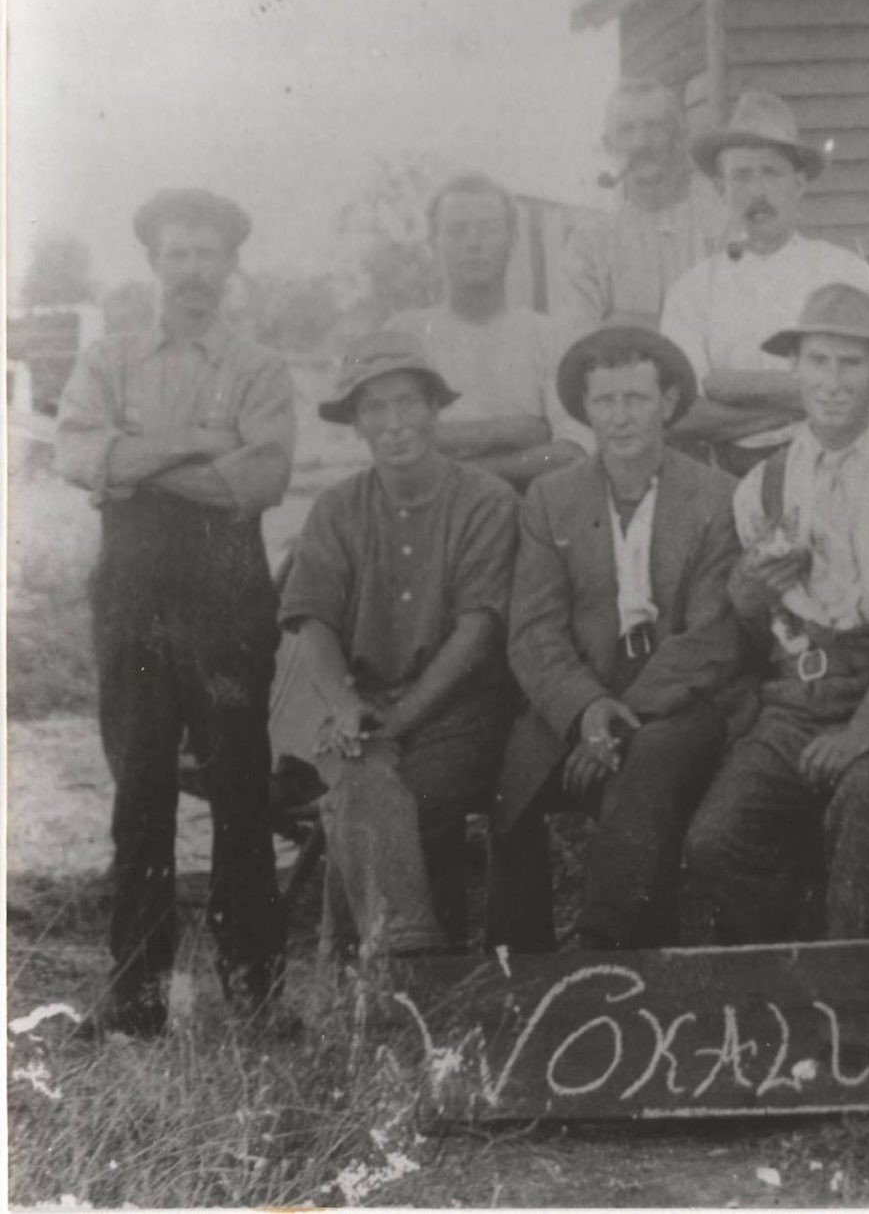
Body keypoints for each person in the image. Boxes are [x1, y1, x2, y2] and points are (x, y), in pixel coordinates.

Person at [55, 189, 293, 1037]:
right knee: (141, 788)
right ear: (153, 261)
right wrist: (198, 443)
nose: (194, 271)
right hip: (133, 588)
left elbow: (257, 482)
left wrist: (135, 460)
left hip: (228, 589)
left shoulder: (259, 366)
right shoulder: (111, 357)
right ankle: (136, 994)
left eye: (209, 255)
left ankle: (257, 990)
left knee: (240, 786)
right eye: (179, 254)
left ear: (231, 266)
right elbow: (77, 451)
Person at [682, 284, 869, 942]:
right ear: (795, 370)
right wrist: (751, 595)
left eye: (851, 364)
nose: (833, 382)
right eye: (819, 362)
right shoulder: (762, 483)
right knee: (714, 841)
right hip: (792, 703)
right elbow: (762, 626)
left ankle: (851, 1001)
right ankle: (790, 971)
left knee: (863, 803)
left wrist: (862, 731)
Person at [488, 325, 748, 951]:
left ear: (668, 403)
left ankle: (606, 944)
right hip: (582, 691)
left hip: (680, 698)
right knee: (514, 783)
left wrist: (621, 719)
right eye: (605, 402)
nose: (621, 417)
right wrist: (586, 711)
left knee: (649, 761)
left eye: (636, 398)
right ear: (585, 409)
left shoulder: (717, 498)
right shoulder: (552, 499)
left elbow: (712, 636)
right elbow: (533, 630)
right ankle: (514, 967)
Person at [272, 331, 519, 956]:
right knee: (359, 776)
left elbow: (478, 632)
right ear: (355, 423)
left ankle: (367, 961)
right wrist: (345, 705)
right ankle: (411, 957)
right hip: (362, 700)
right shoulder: (337, 508)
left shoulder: (485, 502)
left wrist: (401, 719)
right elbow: (311, 619)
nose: (394, 424)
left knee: (401, 792)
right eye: (374, 409)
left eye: (407, 403)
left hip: (459, 711)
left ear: (435, 409)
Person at [661, 90, 869, 474]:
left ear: (798, 183)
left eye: (771, 173)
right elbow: (682, 414)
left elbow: (867, 389)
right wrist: (800, 402)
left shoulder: (844, 272)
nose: (758, 192)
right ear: (720, 188)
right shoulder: (692, 290)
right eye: (742, 176)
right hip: (728, 475)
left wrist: (733, 386)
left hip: (834, 467)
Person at [387, 172, 592, 490]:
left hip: (526, 520)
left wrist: (453, 452)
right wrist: (511, 431)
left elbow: (572, 454)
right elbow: (393, 441)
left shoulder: (552, 337)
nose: (473, 243)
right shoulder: (405, 335)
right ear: (433, 242)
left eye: (489, 228)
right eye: (457, 230)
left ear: (513, 239)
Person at [553, 77, 728, 331]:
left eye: (654, 127)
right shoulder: (589, 245)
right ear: (609, 146)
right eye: (626, 130)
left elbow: (731, 333)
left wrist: (619, 323)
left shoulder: (720, 228)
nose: (640, 143)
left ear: (680, 138)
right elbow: (578, 343)